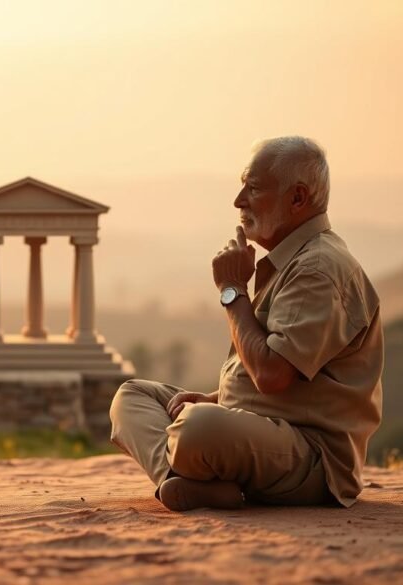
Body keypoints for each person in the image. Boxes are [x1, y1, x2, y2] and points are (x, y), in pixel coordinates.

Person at [109, 136, 383, 511]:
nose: (239, 201)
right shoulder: (292, 261)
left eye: (252, 189)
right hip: (260, 431)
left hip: (310, 459)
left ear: (298, 198)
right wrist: (216, 398)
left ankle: (187, 477)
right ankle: (184, 483)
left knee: (198, 429)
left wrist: (233, 290)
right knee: (133, 396)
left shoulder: (319, 269)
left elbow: (272, 376)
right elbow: (288, 382)